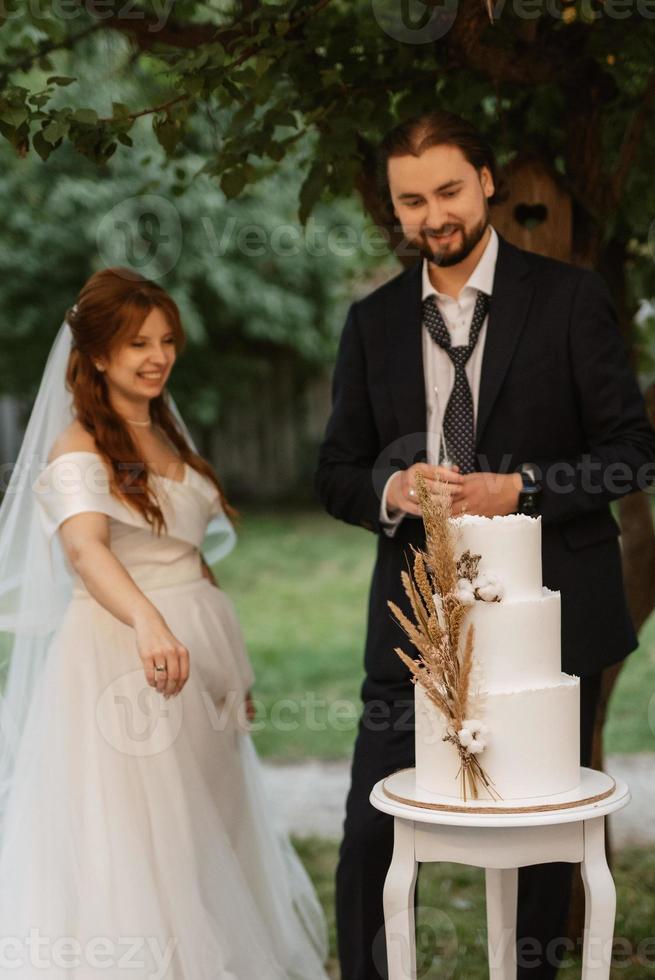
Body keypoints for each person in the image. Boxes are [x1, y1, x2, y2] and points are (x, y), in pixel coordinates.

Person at [316, 110, 655, 980]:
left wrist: (523, 488)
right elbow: (336, 470)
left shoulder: (570, 298)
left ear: (486, 182)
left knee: (541, 839)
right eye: (412, 201)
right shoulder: (371, 322)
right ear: (395, 211)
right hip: (417, 623)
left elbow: (630, 454)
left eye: (449, 190)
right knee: (369, 828)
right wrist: (392, 489)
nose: (434, 215)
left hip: (550, 622)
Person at [0, 268, 329, 979]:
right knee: (151, 841)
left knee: (210, 825)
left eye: (166, 340)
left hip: (197, 657)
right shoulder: (78, 449)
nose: (157, 356)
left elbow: (190, 559)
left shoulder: (164, 431)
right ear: (94, 355)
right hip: (125, 660)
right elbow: (86, 549)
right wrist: (150, 624)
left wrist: (230, 670)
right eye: (136, 343)